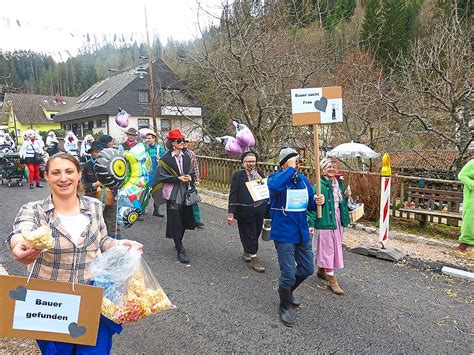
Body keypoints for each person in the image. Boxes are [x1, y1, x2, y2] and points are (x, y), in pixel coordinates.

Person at [6, 152, 143, 354]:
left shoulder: (94, 206)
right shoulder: (34, 210)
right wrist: (19, 245)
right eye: (56, 173)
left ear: (79, 174)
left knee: (95, 350)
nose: (63, 178)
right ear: (47, 177)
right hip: (50, 301)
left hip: (90, 295)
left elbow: (102, 240)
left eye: (69, 171)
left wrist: (122, 244)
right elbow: (19, 232)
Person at [267, 147, 325, 327]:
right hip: (284, 234)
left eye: (297, 161)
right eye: (293, 161)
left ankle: (287, 290)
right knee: (288, 273)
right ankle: (284, 306)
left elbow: (309, 207)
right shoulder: (274, 178)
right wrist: (289, 168)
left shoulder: (303, 180)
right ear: (284, 163)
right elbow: (276, 187)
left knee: (307, 269)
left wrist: (318, 203)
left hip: (302, 232)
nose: (297, 164)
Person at [307, 158, 350, 295]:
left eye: (333, 166)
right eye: (328, 167)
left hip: (336, 221)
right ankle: (332, 279)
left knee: (333, 247)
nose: (331, 169)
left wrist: (347, 196)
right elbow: (312, 208)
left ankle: (321, 270)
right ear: (323, 169)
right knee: (328, 249)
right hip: (325, 221)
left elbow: (341, 204)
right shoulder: (319, 186)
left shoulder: (338, 184)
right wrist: (311, 224)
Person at [153, 129, 196, 264]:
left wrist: (190, 177)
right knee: (175, 219)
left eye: (183, 140)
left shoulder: (187, 156)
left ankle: (179, 240)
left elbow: (192, 172)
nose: (183, 143)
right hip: (172, 194)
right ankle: (179, 248)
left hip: (185, 192)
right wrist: (177, 178)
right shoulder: (165, 159)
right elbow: (160, 176)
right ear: (173, 143)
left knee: (184, 218)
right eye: (179, 141)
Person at [227, 151, 267, 272]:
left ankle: (247, 250)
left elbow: (264, 189)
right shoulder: (238, 176)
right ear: (243, 163)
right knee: (248, 233)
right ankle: (254, 259)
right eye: (248, 161)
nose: (251, 164)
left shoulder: (259, 173)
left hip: (259, 208)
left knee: (256, 232)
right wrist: (231, 213)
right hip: (244, 209)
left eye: (253, 161)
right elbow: (233, 194)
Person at [82, 141, 120, 239]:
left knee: (113, 225)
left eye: (100, 152)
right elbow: (81, 186)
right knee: (93, 224)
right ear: (91, 153)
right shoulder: (86, 166)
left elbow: (118, 180)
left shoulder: (110, 163)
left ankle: (115, 246)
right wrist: (95, 184)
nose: (98, 154)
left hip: (110, 198)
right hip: (92, 199)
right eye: (96, 152)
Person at [144, 129, 166, 217]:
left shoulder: (160, 148)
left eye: (149, 138)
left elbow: (165, 160)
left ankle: (156, 210)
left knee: (157, 192)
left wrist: (159, 159)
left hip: (157, 173)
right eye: (147, 138)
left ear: (154, 139)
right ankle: (142, 210)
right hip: (148, 173)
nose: (147, 140)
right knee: (146, 193)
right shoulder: (145, 148)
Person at [183, 140, 204, 228]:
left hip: (190, 179)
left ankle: (197, 219)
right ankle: (184, 220)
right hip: (179, 180)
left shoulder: (191, 153)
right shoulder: (174, 153)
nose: (184, 144)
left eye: (185, 142)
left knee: (193, 199)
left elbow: (195, 167)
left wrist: (197, 179)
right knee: (181, 200)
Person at [458, 151, 474, 251]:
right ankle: (465, 242)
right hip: (472, 198)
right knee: (469, 219)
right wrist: (472, 184)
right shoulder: (472, 163)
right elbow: (462, 175)